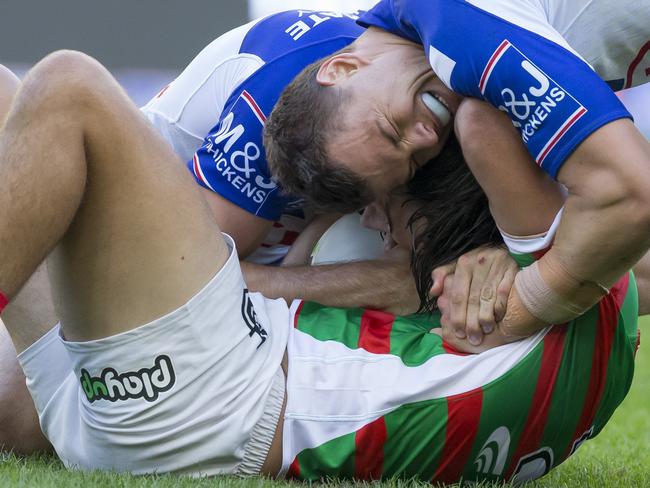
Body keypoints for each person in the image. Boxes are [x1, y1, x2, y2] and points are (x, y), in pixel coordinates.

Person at [0, 51, 640, 484]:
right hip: (130, 412)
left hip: (217, 404)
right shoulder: (595, 312)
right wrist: (504, 248)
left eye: (392, 196)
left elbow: (481, 116)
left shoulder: (531, 269)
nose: (369, 219)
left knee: (69, 85)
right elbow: (610, 238)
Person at [263, 0, 650, 346]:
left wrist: (518, 313)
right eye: (415, 163)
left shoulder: (456, 27)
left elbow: (631, 196)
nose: (427, 138)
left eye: (389, 129)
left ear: (343, 68)